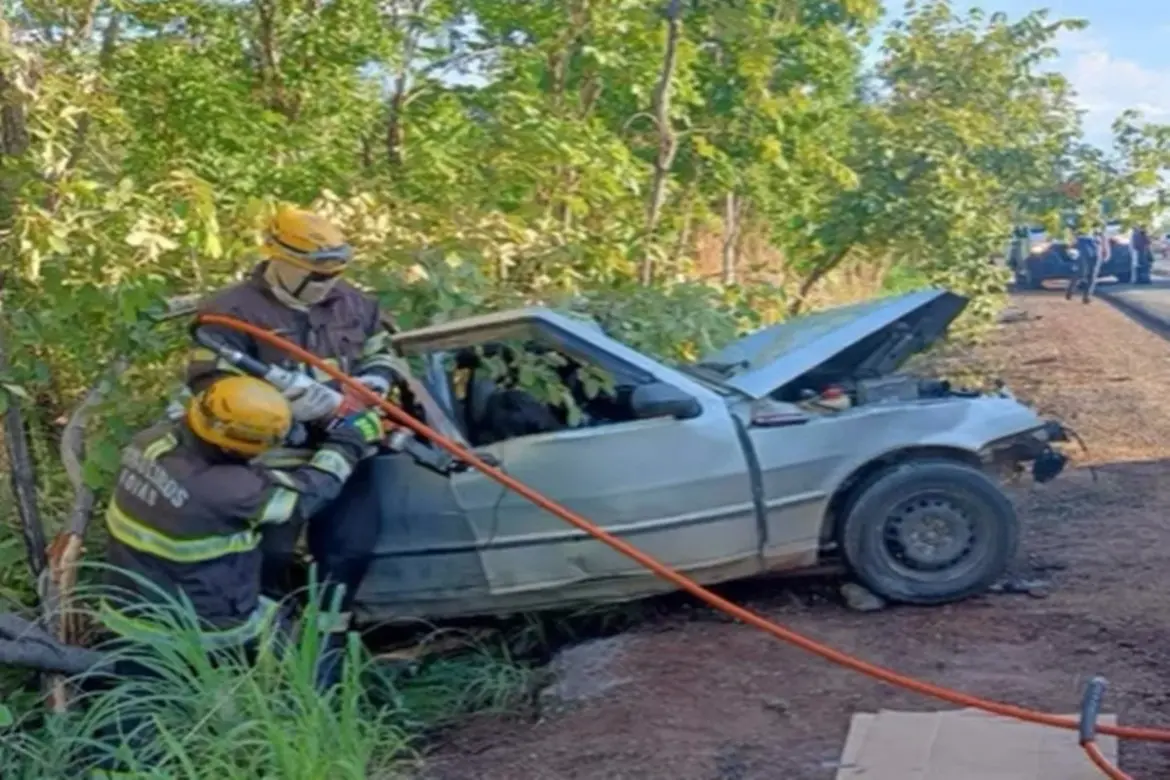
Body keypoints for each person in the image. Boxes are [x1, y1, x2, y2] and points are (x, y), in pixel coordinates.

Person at [182, 205, 397, 637]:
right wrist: (290, 408)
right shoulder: (230, 312)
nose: (327, 284)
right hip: (271, 461)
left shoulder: (355, 304)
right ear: (279, 259)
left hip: (349, 451)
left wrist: (374, 381)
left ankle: (327, 644)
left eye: (335, 274)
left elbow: (385, 349)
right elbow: (210, 384)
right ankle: (268, 643)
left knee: (348, 550)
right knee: (270, 557)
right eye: (317, 276)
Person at [101, 375, 383, 690]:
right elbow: (310, 494)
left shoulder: (151, 441)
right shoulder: (228, 489)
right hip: (207, 626)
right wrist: (350, 439)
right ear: (229, 446)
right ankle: (303, 696)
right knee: (298, 657)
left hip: (126, 609)